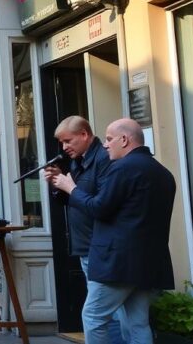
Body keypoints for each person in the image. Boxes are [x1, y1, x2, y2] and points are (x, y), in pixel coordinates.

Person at [51, 118, 176, 344]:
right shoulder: (164, 173)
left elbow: (99, 208)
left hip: (117, 262)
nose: (106, 144)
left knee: (93, 316)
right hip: (149, 262)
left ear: (125, 139)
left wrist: (71, 188)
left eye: (109, 139)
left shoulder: (122, 168)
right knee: (137, 322)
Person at [44, 116, 124, 344]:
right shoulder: (79, 160)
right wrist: (58, 187)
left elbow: (102, 204)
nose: (64, 147)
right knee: (110, 312)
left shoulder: (103, 159)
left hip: (100, 247)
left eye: (68, 141)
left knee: (105, 313)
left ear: (84, 135)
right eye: (61, 143)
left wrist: (70, 187)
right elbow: (75, 200)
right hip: (87, 245)